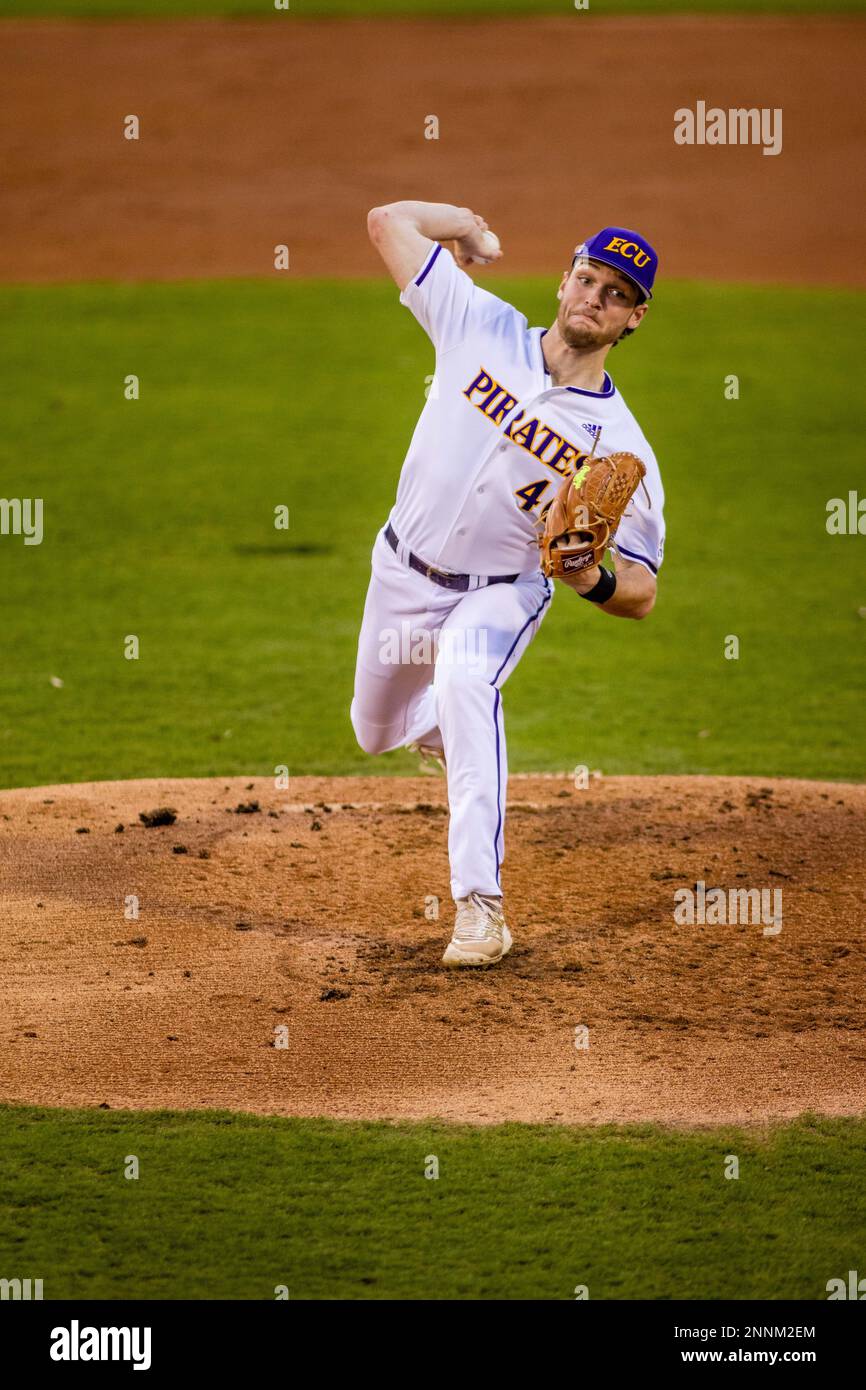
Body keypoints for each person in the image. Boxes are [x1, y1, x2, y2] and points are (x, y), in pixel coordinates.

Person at [351, 201, 665, 966]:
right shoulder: (478, 324)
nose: (596, 298)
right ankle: (442, 733)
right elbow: (387, 221)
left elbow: (641, 591)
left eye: (616, 294)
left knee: (466, 680)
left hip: (503, 589)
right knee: (374, 730)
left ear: (634, 320)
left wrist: (588, 577)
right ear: (563, 282)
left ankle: (480, 911)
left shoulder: (624, 448)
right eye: (588, 279)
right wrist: (467, 228)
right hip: (400, 570)